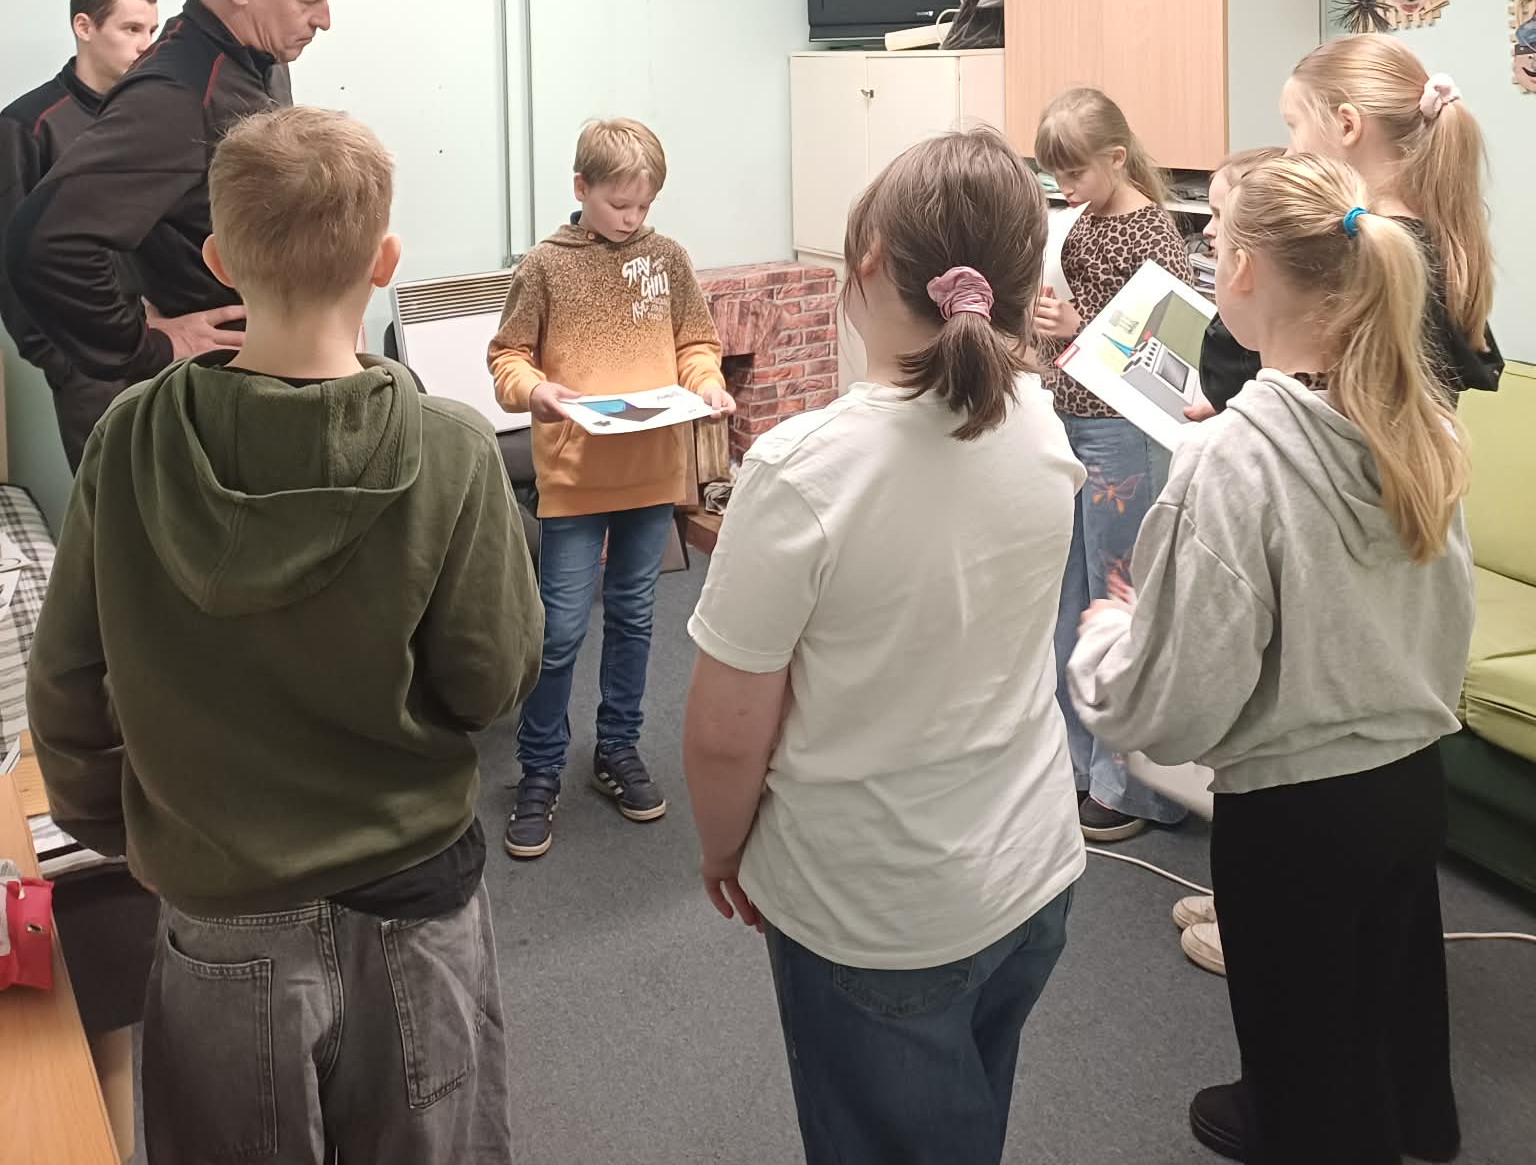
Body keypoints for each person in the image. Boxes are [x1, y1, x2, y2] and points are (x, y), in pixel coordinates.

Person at [26, 105, 542, 1165]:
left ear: (217, 258)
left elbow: (67, 681)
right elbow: (490, 681)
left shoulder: (127, 440)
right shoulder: (451, 450)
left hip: (217, 907)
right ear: (385, 262)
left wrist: (132, 835)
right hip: (413, 902)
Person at [684, 130, 1084, 1165]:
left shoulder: (802, 471)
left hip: (879, 911)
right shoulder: (1041, 423)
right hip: (1031, 868)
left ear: (864, 263)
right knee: (965, 1120)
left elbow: (726, 731)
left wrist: (724, 847)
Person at [1070, 155, 1474, 1165]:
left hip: (1297, 820)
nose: (1208, 261)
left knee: (1303, 1076)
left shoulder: (1232, 459)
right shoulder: (1421, 420)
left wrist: (1108, 639)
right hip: (1411, 784)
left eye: (1213, 246)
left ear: (1243, 270)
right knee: (1386, 1011)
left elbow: (1167, 709)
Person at [4, 0, 338, 447]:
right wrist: (144, 346)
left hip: (271, 375)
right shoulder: (175, 92)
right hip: (212, 398)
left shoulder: (263, 61)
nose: (324, 19)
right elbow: (45, 244)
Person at [489, 116, 733, 859]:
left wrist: (707, 383)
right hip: (575, 478)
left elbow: (696, 342)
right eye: (619, 204)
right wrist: (535, 392)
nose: (633, 219)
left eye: (644, 205)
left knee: (633, 617)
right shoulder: (545, 266)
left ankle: (616, 749)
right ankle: (539, 767)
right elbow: (508, 357)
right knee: (561, 630)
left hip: (651, 473)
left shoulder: (667, 258)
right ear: (580, 188)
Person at [1032, 85, 1195, 842]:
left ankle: (1131, 785)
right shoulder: (1089, 219)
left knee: (1119, 603)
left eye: (1075, 173)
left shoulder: (1150, 229)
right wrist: (1053, 329)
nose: (1066, 188)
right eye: (1057, 175)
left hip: (1121, 434)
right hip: (1072, 420)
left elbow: (1168, 349)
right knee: (1071, 595)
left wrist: (1078, 324)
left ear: (1117, 158)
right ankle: (1077, 761)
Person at [1195, 40, 1502, 417]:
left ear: (1347, 125)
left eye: (1293, 127)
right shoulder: (1429, 243)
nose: (1289, 152)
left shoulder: (1352, 253)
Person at [0, 0, 158, 467]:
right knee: (110, 501)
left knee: (173, 496)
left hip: (163, 344)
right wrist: (59, 360)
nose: (146, 45)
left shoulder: (151, 117)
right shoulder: (27, 126)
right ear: (84, 27)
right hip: (88, 362)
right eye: (131, 29)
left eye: (152, 30)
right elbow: (10, 258)